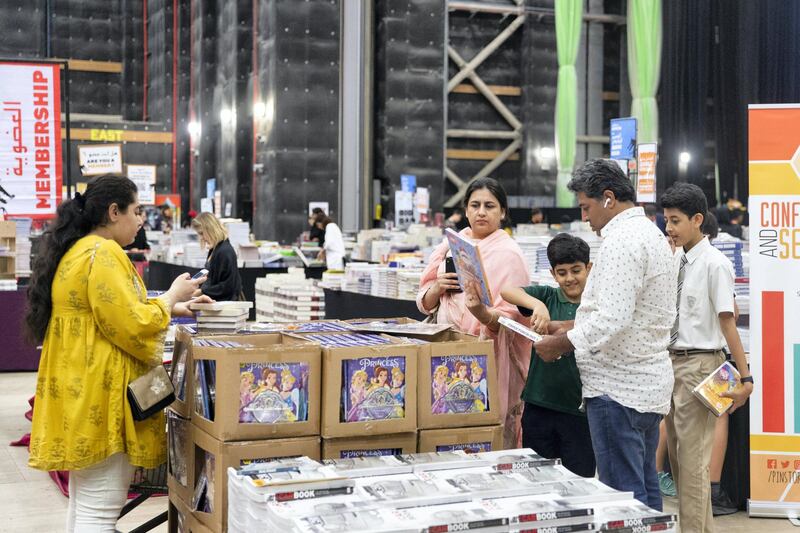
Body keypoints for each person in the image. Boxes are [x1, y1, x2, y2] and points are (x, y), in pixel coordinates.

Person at [24, 175, 209, 531]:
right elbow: (134, 324)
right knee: (98, 514)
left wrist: (172, 308)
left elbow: (107, 313)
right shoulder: (105, 253)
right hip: (104, 399)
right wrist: (172, 295)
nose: (141, 220)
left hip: (80, 395)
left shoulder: (79, 249)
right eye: (136, 211)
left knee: (85, 506)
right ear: (113, 212)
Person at [534, 159, 676, 510]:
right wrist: (570, 325)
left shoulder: (621, 242)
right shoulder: (650, 233)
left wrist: (561, 343)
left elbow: (612, 319)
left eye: (586, 206)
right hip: (646, 384)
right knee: (644, 489)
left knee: (621, 500)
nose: (585, 216)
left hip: (618, 391)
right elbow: (632, 313)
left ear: (608, 198)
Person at [661, 182, 753, 532]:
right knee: (680, 463)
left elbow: (728, 323)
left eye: (675, 220)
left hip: (701, 364)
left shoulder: (715, 264)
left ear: (697, 219)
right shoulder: (678, 259)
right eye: (666, 220)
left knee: (693, 462)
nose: (669, 228)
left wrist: (745, 379)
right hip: (672, 363)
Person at [417, 177, 531, 447]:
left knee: (486, 431)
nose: (481, 212)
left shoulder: (509, 254)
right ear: (465, 210)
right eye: (475, 205)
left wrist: (482, 312)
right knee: (444, 429)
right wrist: (437, 288)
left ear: (502, 212)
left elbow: (515, 318)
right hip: (445, 353)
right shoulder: (449, 246)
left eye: (489, 206)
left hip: (489, 357)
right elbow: (423, 302)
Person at [500, 233, 596, 478]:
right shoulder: (548, 296)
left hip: (579, 410)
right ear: (553, 274)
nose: (570, 278)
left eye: (576, 270)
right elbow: (508, 291)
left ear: (589, 267)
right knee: (537, 476)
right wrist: (537, 305)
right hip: (538, 404)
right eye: (562, 273)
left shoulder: (596, 305)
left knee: (580, 479)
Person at [192, 212, 243, 301]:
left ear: (211, 229)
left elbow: (228, 286)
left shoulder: (224, 251)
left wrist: (202, 291)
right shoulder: (215, 249)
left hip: (225, 307)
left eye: (201, 233)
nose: (201, 238)